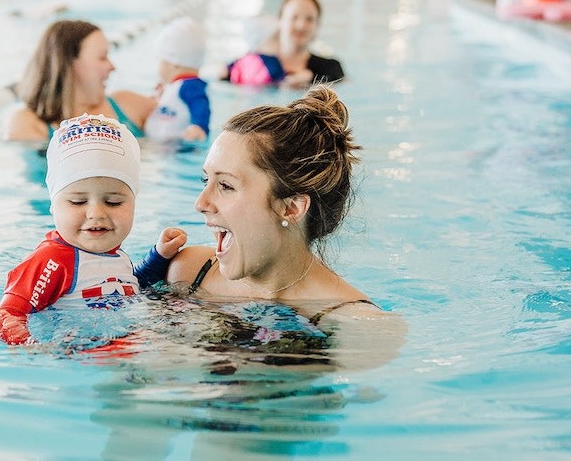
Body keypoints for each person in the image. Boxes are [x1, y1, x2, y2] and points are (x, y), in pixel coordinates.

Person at [164, 84, 404, 369]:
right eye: (207, 181)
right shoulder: (189, 273)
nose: (201, 203)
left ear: (291, 207)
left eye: (226, 185)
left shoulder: (358, 328)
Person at [0, 114, 187, 345]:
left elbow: (128, 287)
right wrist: (30, 347)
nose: (96, 213)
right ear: (53, 206)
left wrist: (160, 256)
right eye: (78, 202)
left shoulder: (114, 255)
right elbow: (6, 314)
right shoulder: (52, 260)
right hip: (83, 354)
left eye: (113, 202)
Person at [6, 19, 156, 142]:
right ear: (69, 64)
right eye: (102, 57)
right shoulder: (29, 124)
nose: (112, 67)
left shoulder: (129, 105)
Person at [226, 0, 345, 89]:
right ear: (280, 21)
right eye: (294, 17)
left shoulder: (330, 69)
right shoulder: (256, 65)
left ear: (317, 26)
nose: (301, 25)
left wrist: (311, 82)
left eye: (309, 19)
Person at [144, 17, 210, 143]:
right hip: (166, 145)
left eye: (160, 60)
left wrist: (199, 126)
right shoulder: (176, 87)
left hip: (177, 147)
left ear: (174, 63)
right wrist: (159, 99)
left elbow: (200, 105)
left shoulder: (190, 85)